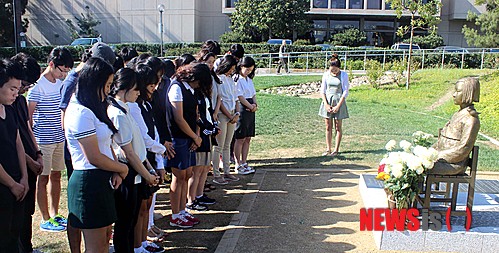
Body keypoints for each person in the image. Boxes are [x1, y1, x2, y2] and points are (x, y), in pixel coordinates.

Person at [64, 57, 128, 253]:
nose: (109, 90)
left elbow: (106, 144)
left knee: (104, 241)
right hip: (88, 180)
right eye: (107, 85)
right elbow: (93, 156)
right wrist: (123, 168)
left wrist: (116, 171)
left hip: (103, 177)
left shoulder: (94, 108)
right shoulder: (79, 112)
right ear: (94, 83)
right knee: (96, 246)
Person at [107, 67, 160, 253]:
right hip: (128, 174)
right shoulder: (117, 113)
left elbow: (137, 147)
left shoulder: (126, 108)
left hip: (137, 172)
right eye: (136, 88)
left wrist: (148, 169)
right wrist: (148, 175)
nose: (139, 93)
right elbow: (128, 153)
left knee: (131, 222)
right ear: (124, 88)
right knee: (124, 225)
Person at [27, 46, 74, 232]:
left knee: (56, 176)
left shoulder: (61, 84)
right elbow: (29, 118)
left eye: (67, 71)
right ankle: (45, 217)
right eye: (62, 70)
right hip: (43, 140)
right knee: (43, 178)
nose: (64, 74)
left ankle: (55, 214)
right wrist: (34, 146)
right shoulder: (37, 87)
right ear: (52, 64)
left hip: (59, 138)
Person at [166, 62, 212, 228]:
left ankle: (183, 209)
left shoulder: (192, 90)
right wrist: (194, 136)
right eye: (199, 82)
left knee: (187, 174)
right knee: (178, 176)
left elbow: (196, 114)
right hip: (178, 138)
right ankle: (175, 214)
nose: (199, 85)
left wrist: (196, 136)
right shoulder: (177, 87)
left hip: (190, 138)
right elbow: (178, 118)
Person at [10, 53, 43, 253]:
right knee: (17, 214)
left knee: (28, 211)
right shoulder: (6, 101)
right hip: (17, 166)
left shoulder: (20, 101)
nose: (23, 89)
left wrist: (37, 152)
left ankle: (28, 247)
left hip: (31, 164)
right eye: (24, 84)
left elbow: (27, 128)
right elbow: (13, 140)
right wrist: (29, 161)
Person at [0, 58, 29, 253]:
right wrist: (11, 184)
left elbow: (18, 143)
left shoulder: (10, 109)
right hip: (4, 185)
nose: (16, 93)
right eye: (12, 88)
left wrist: (25, 177)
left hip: (18, 182)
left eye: (18, 89)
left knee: (15, 233)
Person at [430, 77, 480, 175]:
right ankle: (417, 190)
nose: (454, 95)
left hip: (454, 164)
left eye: (458, 91)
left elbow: (463, 148)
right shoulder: (458, 114)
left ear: (467, 94)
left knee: (419, 167)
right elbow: (441, 140)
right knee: (415, 161)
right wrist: (428, 152)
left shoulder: (471, 119)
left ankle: (416, 190)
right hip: (442, 159)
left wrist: (439, 155)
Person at [212, 55, 240, 184]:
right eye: (231, 68)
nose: (232, 71)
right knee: (219, 145)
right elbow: (220, 100)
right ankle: (217, 174)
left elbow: (235, 98)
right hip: (223, 116)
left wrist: (237, 113)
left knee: (227, 145)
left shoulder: (230, 80)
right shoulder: (218, 79)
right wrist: (230, 116)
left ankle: (227, 171)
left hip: (232, 114)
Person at [318, 54, 349, 157]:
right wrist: (326, 104)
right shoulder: (326, 75)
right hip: (328, 101)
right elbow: (322, 90)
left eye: (335, 70)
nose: (334, 72)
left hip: (338, 101)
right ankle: (328, 148)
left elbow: (345, 91)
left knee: (338, 126)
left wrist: (338, 106)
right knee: (328, 126)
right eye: (332, 70)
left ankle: (336, 149)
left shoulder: (344, 75)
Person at [234, 56, 257, 175]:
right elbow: (239, 96)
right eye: (247, 69)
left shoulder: (249, 80)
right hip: (243, 108)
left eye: (251, 70)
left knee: (248, 137)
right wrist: (249, 105)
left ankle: (244, 161)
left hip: (250, 107)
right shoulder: (237, 79)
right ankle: (237, 163)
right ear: (241, 67)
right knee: (240, 138)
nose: (249, 72)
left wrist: (255, 104)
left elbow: (253, 93)